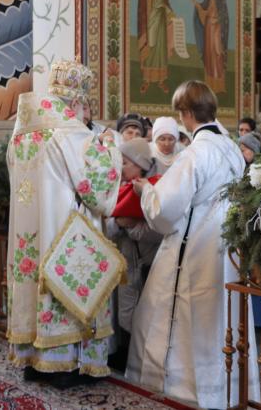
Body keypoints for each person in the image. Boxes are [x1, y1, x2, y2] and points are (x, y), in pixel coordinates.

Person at [127, 80, 259, 408]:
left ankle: (181, 392)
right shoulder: (230, 147)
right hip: (225, 248)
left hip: (194, 248)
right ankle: (226, 393)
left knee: (181, 319)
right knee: (221, 319)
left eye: (180, 113)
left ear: (186, 113)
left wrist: (146, 192)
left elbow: (165, 210)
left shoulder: (195, 153)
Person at [6, 58, 123, 388]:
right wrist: (110, 145)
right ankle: (66, 365)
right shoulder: (71, 134)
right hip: (67, 229)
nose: (85, 114)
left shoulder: (22, 133)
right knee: (67, 285)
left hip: (30, 230)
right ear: (76, 102)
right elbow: (95, 188)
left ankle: (34, 360)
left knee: (33, 283)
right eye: (85, 106)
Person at [106, 138, 162, 372]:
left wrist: (129, 226)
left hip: (143, 261)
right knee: (124, 308)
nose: (121, 167)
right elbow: (110, 223)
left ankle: (134, 358)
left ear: (140, 165)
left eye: (125, 162)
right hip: (125, 259)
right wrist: (119, 223)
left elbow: (158, 231)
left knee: (138, 311)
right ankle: (123, 351)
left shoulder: (155, 189)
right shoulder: (120, 186)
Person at [137, 0, 173, 94]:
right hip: (149, 16)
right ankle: (146, 80)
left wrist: (170, 11)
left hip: (161, 17)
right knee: (150, 47)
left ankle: (161, 80)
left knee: (160, 49)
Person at [192, 0, 229, 94]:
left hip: (217, 28)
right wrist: (197, 5)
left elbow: (224, 14)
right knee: (209, 54)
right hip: (208, 28)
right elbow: (205, 8)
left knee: (218, 53)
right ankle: (210, 85)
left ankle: (219, 85)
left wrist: (218, 21)